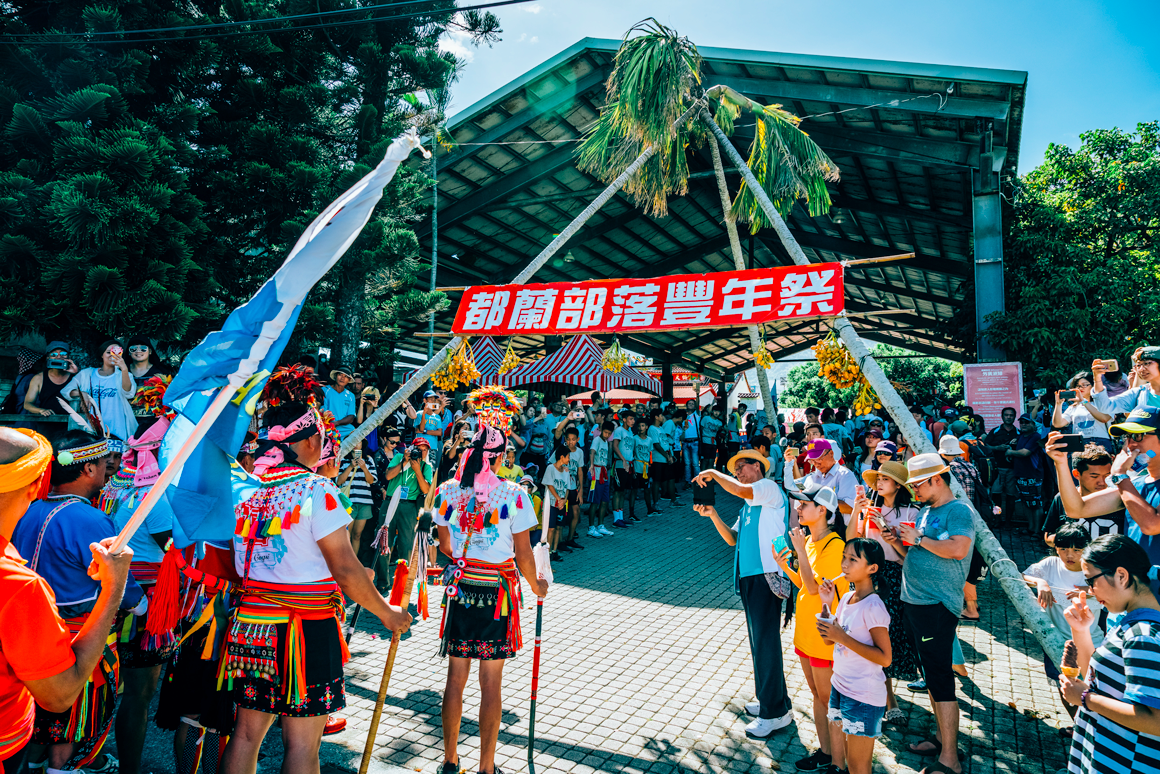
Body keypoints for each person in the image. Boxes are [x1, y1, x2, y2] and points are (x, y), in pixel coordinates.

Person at [221, 401, 411, 774]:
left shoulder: (248, 490)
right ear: (309, 441)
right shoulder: (315, 489)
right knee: (303, 744)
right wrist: (387, 613)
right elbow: (344, 568)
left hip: (252, 625)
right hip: (304, 626)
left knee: (245, 735)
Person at [0, 427, 133, 774]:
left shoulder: (28, 521)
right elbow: (60, 695)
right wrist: (117, 588)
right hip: (60, 648)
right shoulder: (18, 584)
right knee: (71, 732)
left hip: (30, 652)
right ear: (32, 486)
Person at [432, 420, 548, 774]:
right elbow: (525, 554)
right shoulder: (515, 493)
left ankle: (450, 761)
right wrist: (535, 584)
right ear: (498, 458)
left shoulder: (448, 489)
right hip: (496, 589)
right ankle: (486, 767)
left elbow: (446, 545)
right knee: (490, 682)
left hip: (461, 586)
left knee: (455, 677)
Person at [98, 416, 181, 774]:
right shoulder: (153, 496)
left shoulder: (112, 488)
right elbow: (176, 549)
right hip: (146, 603)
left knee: (106, 683)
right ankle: (130, 768)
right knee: (138, 693)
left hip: (109, 591)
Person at [693, 449, 793, 738]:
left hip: (766, 575)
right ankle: (773, 701)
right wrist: (712, 514)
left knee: (765, 644)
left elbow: (739, 489)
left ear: (758, 467)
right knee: (760, 643)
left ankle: (773, 713)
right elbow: (732, 539)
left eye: (742, 466)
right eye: (734, 468)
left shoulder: (768, 488)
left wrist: (712, 474)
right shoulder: (749, 504)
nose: (737, 472)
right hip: (750, 577)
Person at [897, 454, 975, 774]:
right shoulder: (926, 510)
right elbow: (921, 549)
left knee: (940, 681)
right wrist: (903, 541)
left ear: (937, 480)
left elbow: (958, 548)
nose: (914, 490)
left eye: (917, 484)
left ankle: (951, 761)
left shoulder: (958, 510)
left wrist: (917, 539)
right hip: (917, 605)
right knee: (931, 678)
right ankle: (945, 741)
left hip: (936, 608)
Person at [1059, 534, 1160, 774]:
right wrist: (1080, 631)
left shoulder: (1142, 634)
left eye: (1091, 580)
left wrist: (1085, 698)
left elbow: (1155, 721)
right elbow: (1098, 678)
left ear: (1121, 576)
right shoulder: (1129, 624)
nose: (1091, 590)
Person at [1046, 408, 1160, 596]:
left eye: (1139, 436)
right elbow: (1076, 509)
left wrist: (1120, 475)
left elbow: (1151, 525)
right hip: (1135, 593)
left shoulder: (1125, 482)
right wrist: (1060, 462)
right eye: (1127, 437)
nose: (1130, 445)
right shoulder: (1135, 484)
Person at [773, 485, 844, 772]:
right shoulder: (812, 542)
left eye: (804, 504)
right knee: (817, 695)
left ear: (823, 511)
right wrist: (787, 566)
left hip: (824, 636)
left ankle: (838, 760)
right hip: (806, 631)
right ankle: (826, 752)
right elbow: (805, 586)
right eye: (798, 504)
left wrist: (800, 550)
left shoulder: (834, 544)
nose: (798, 509)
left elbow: (815, 588)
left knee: (828, 699)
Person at [846, 461, 919, 723]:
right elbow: (852, 540)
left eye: (885, 479)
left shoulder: (911, 511)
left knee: (888, 635)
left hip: (894, 576)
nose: (879, 483)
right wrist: (857, 509)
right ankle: (886, 699)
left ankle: (889, 698)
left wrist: (892, 538)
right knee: (865, 634)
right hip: (868, 576)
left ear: (898, 485)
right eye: (877, 479)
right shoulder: (871, 508)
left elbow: (909, 556)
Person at [816, 539, 892, 774]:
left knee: (859, 766)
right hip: (839, 686)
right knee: (838, 761)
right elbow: (830, 639)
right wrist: (826, 606)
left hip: (864, 696)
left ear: (872, 568)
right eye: (844, 557)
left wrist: (842, 637)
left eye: (853, 559)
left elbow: (885, 658)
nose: (844, 564)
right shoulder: (846, 598)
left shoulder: (874, 606)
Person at [1021, 521, 1103, 726]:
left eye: (1077, 550)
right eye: (1063, 549)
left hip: (1091, 644)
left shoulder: (1095, 567)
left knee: (1093, 688)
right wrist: (1041, 582)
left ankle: (1092, 728)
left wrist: (1088, 590)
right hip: (1057, 642)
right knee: (1065, 686)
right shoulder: (1049, 565)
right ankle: (1077, 727)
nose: (1070, 555)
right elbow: (1020, 576)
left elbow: (1113, 588)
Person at [1043, 444, 1124, 547]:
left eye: (1107, 476)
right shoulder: (1061, 498)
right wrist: (1067, 540)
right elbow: (1048, 535)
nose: (1102, 482)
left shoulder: (1118, 497)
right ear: (1076, 474)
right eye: (1094, 476)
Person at [65, 340, 138, 442]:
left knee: (117, 456)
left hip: (118, 427)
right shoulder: (87, 374)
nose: (112, 355)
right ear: (101, 355)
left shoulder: (125, 375)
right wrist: (83, 394)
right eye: (109, 352)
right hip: (92, 428)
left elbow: (129, 393)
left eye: (117, 352)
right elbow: (66, 391)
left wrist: (124, 369)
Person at [383, 436, 434, 570]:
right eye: (418, 449)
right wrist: (405, 462)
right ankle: (383, 582)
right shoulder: (398, 457)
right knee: (384, 541)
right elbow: (388, 476)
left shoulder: (426, 466)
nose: (421, 452)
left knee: (406, 544)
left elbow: (426, 490)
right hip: (390, 502)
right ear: (411, 449)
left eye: (425, 450)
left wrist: (417, 470)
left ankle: (403, 579)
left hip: (409, 506)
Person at [784, 439, 858, 526]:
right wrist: (789, 463)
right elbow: (790, 485)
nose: (816, 464)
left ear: (831, 454)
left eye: (819, 459)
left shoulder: (845, 475)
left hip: (837, 530)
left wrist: (816, 499)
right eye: (812, 460)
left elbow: (850, 507)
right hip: (815, 529)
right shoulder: (811, 478)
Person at [1053, 372, 1115, 455]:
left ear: (1093, 386)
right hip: (1079, 442)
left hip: (1100, 441)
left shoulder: (1103, 402)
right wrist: (1058, 404)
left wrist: (1083, 401)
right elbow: (1058, 424)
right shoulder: (1073, 407)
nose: (1080, 388)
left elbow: (1104, 418)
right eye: (1078, 385)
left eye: (1085, 385)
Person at [1009, 413, 1048, 533]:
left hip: (1033, 475)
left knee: (1036, 504)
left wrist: (1009, 452)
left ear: (1033, 424)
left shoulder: (1035, 436)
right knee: (1026, 502)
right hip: (1021, 474)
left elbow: (1025, 453)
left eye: (1027, 422)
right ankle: (1030, 528)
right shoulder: (1020, 436)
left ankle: (1037, 531)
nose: (1024, 424)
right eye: (1022, 422)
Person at [1091, 346, 1160, 414]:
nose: (1141, 369)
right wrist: (1097, 378)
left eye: (1146, 363)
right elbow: (1105, 407)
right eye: (1138, 365)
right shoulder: (1137, 394)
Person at [337, 441, 377, 556]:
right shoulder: (343, 459)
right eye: (354, 440)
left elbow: (371, 481)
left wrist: (364, 468)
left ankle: (355, 562)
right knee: (346, 534)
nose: (356, 444)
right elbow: (339, 481)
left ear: (362, 444)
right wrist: (350, 466)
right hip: (349, 501)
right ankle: (346, 561)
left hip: (364, 501)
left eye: (359, 441)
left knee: (357, 535)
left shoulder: (368, 459)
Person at [984, 407, 1021, 527]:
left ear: (1014, 417)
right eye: (1006, 415)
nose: (1009, 417)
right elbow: (985, 446)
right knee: (996, 496)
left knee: (1011, 496)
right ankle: (998, 519)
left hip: (1013, 469)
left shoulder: (1019, 433)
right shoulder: (995, 431)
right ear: (1002, 416)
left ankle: (1008, 521)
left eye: (1011, 415)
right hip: (997, 469)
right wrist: (997, 448)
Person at [22, 341, 78, 418]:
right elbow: (27, 404)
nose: (58, 357)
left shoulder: (76, 377)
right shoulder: (39, 378)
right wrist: (41, 410)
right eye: (54, 354)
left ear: (68, 357)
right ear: (48, 357)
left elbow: (86, 397)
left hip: (70, 425)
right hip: (46, 423)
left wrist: (76, 374)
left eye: (63, 354)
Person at [543, 446, 571, 563]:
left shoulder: (566, 471)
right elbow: (549, 485)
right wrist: (559, 499)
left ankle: (554, 551)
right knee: (551, 529)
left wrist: (563, 500)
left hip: (561, 503)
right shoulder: (550, 468)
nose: (569, 459)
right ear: (562, 457)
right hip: (551, 503)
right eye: (568, 457)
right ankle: (547, 553)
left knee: (559, 527)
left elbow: (568, 488)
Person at [588, 421, 615, 536]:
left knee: (604, 501)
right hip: (596, 474)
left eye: (609, 433)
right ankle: (591, 527)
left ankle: (601, 525)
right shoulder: (597, 440)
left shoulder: (606, 442)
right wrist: (591, 466)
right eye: (605, 432)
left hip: (604, 474)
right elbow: (592, 452)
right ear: (602, 430)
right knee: (595, 501)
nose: (607, 435)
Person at [611, 410, 638, 525]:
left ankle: (621, 517)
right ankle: (616, 519)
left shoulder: (630, 432)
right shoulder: (619, 430)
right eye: (631, 419)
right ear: (624, 419)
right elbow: (615, 446)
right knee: (618, 491)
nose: (633, 421)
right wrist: (622, 459)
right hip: (619, 465)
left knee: (623, 491)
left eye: (633, 419)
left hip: (629, 465)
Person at [322, 365, 358, 440]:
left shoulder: (351, 395)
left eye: (345, 376)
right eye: (340, 375)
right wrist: (331, 424)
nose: (342, 378)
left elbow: (351, 417)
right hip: (327, 427)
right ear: (335, 376)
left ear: (348, 380)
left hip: (345, 428)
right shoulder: (325, 390)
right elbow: (322, 412)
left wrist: (337, 423)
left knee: (357, 437)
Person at [634, 418, 659, 516]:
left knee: (647, 489)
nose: (641, 428)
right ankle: (632, 513)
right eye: (639, 426)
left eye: (643, 426)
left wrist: (650, 465)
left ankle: (649, 509)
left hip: (646, 467)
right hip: (636, 466)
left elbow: (650, 453)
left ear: (646, 427)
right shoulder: (635, 438)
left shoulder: (649, 440)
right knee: (634, 490)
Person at [683, 400, 702, 483]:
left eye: (692, 404)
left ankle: (698, 481)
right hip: (685, 442)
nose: (691, 405)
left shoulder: (697, 416)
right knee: (687, 464)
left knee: (695, 463)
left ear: (695, 406)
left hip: (695, 441)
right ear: (686, 405)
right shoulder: (683, 416)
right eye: (689, 403)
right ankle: (688, 481)